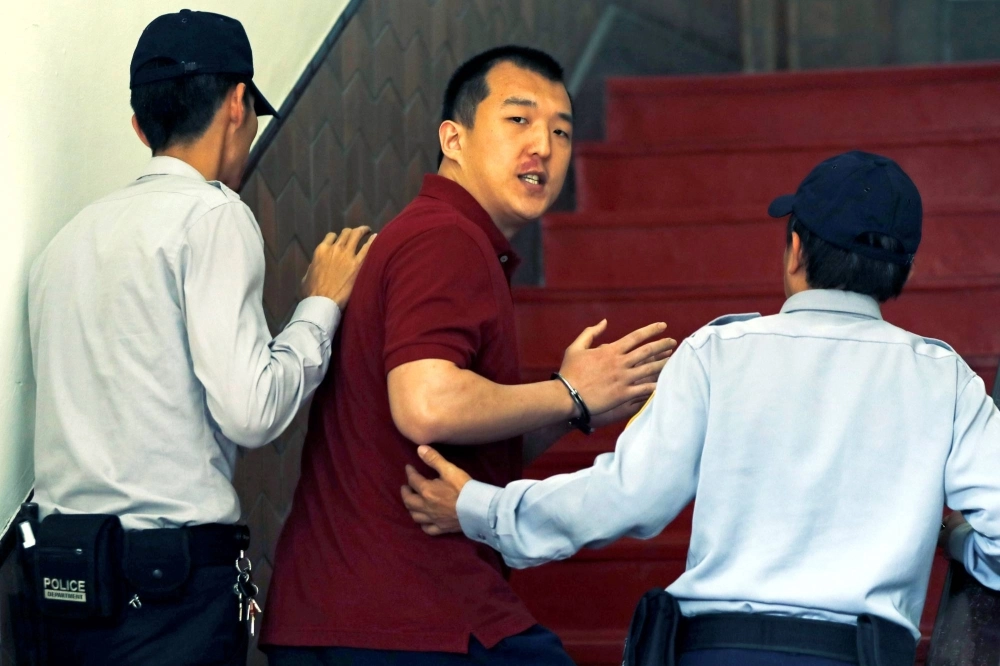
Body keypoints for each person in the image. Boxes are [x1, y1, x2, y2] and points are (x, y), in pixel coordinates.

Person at [403, 150, 1000, 666]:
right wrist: (957, 543)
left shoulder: (720, 352)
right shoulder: (944, 379)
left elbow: (626, 498)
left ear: (795, 249)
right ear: (906, 271)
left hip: (718, 648)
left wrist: (480, 507)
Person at [260, 45, 675, 665]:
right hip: (404, 612)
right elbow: (426, 405)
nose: (544, 145)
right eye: (519, 120)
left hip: (360, 613)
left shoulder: (451, 237)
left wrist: (577, 406)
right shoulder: (445, 238)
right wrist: (568, 392)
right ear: (453, 139)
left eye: (561, 130)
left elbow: (467, 437)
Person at [22, 10, 372, 665]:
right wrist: (320, 306)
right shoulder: (212, 216)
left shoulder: (66, 242)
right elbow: (252, 410)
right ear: (239, 103)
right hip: (168, 588)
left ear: (138, 125)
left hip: (64, 584)